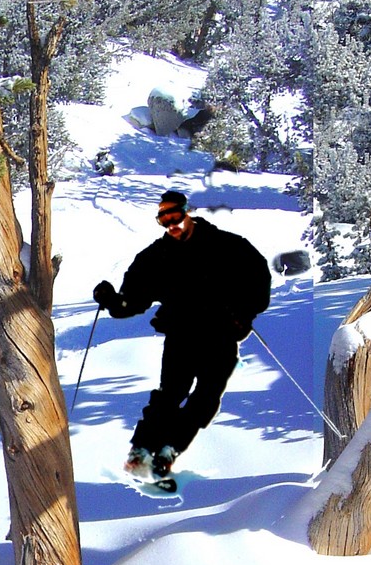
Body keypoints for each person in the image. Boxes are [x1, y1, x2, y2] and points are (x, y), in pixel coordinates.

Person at [92, 189, 270, 482]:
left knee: (206, 398)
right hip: (181, 334)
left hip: (221, 333)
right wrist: (110, 299)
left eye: (175, 217)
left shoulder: (227, 245)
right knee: (170, 396)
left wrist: (244, 313)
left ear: (188, 212)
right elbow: (133, 301)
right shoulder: (154, 257)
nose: (172, 225)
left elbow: (258, 276)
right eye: (164, 221)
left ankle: (169, 451)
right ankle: (140, 453)